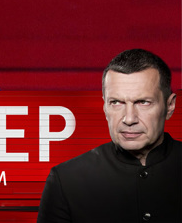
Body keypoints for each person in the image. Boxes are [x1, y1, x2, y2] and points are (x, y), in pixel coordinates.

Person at [37, 49, 180, 223]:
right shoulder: (66, 180)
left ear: (170, 106)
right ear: (105, 107)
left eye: (143, 102)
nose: (129, 119)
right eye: (116, 102)